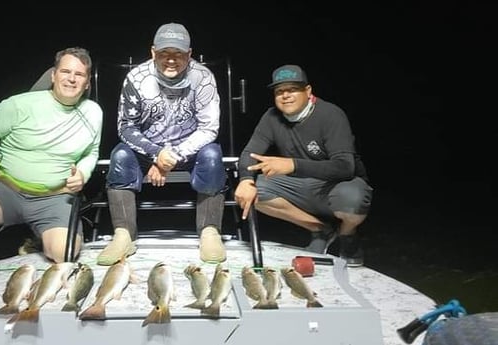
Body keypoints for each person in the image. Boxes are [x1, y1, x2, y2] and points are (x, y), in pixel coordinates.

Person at [0, 47, 103, 292]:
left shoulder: (93, 112)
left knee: (65, 253)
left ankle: (37, 240)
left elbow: (92, 152)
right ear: (53, 75)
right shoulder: (19, 105)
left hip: (55, 197)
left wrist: (83, 174)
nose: (71, 78)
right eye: (65, 71)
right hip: (7, 190)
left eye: (79, 74)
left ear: (87, 83)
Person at [97, 22, 227, 266]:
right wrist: (157, 154)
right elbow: (126, 126)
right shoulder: (136, 78)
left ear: (189, 54)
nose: (171, 60)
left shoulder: (204, 78)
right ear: (153, 52)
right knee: (120, 156)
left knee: (212, 155)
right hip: (149, 148)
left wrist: (172, 156)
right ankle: (123, 234)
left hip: (188, 148)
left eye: (178, 54)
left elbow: (209, 127)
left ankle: (210, 231)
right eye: (165, 53)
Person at [234, 64, 373, 267]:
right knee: (254, 191)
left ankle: (347, 235)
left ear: (308, 91)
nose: (286, 96)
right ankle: (320, 230)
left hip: (337, 186)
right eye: (280, 91)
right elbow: (249, 154)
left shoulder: (331, 114)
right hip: (301, 187)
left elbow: (345, 167)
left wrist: (293, 165)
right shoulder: (272, 117)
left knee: (354, 199)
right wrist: (246, 180)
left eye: (293, 89)